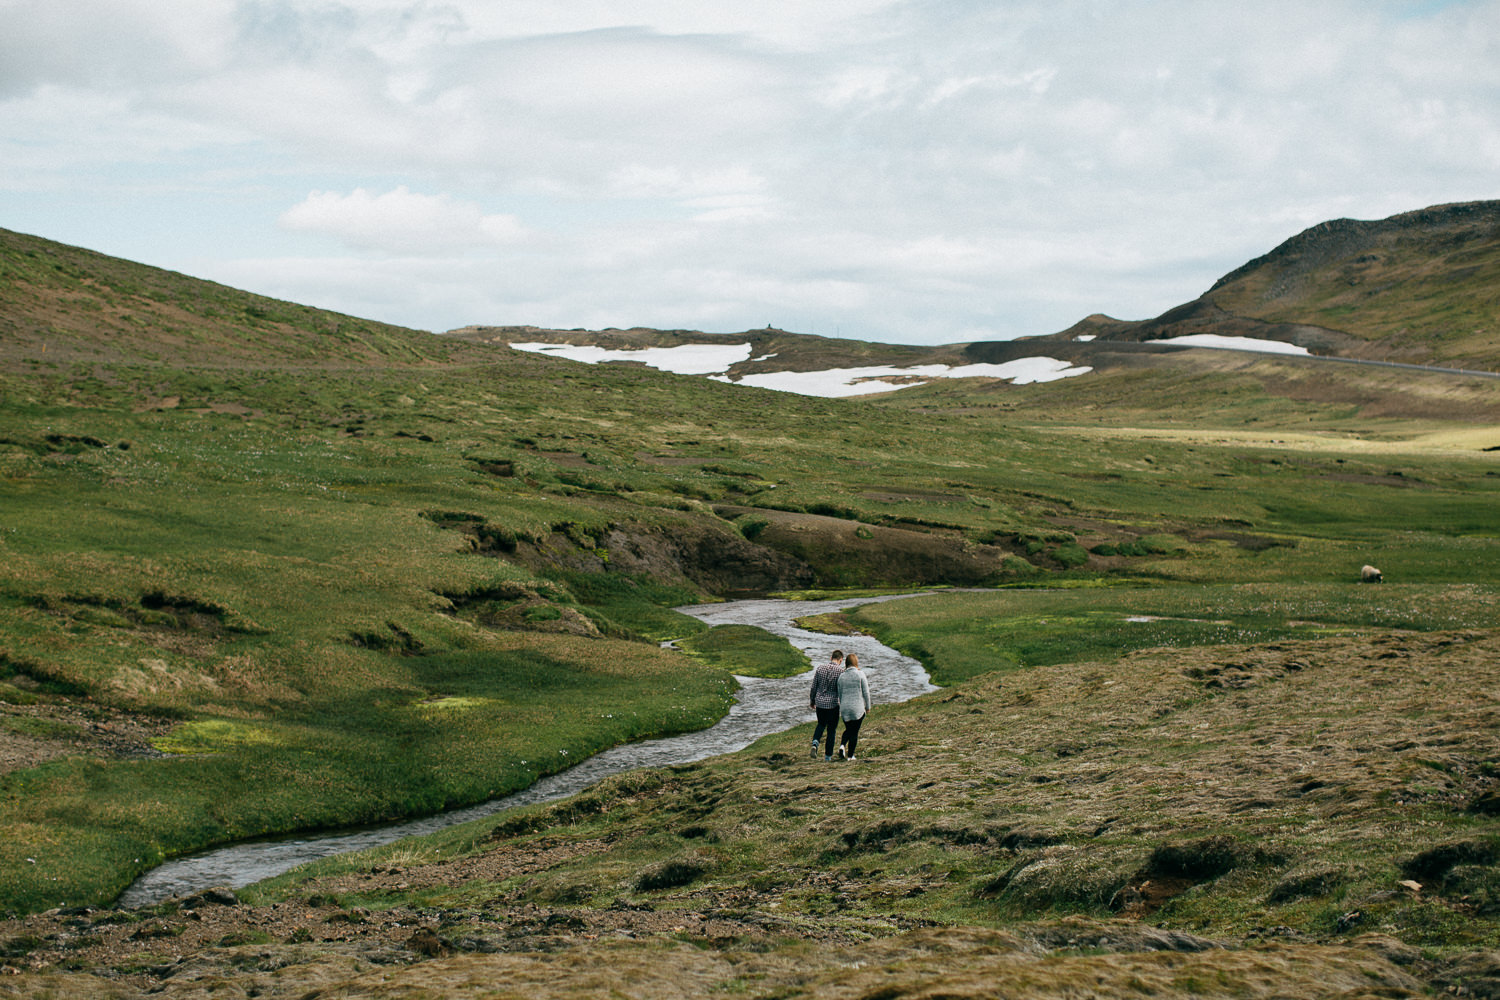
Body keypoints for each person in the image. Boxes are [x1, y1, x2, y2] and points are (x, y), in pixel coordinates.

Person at [809, 649, 844, 761]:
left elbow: (814, 686)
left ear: (831, 657)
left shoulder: (820, 668)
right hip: (833, 704)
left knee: (821, 724)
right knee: (831, 730)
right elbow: (841, 690)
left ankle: (815, 742)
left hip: (820, 702)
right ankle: (828, 756)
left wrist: (812, 700)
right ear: (840, 660)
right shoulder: (840, 671)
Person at [836, 652, 871, 761]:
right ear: (856, 663)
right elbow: (866, 692)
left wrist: (842, 707)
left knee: (849, 729)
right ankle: (851, 756)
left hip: (845, 708)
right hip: (857, 707)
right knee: (854, 732)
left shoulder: (841, 676)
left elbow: (839, 693)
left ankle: (842, 745)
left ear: (846, 663)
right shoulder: (860, 674)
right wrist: (868, 706)